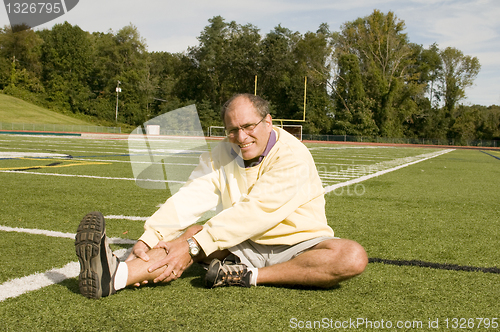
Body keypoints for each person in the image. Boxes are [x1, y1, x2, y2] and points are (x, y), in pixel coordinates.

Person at [75, 93, 368, 299]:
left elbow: (256, 212)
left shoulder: (293, 156)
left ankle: (247, 275)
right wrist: (151, 235)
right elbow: (193, 196)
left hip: (299, 244)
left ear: (268, 121)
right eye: (232, 130)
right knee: (190, 233)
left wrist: (194, 245)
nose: (241, 138)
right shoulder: (222, 153)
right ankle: (115, 275)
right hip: (245, 243)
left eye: (248, 127)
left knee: (352, 256)